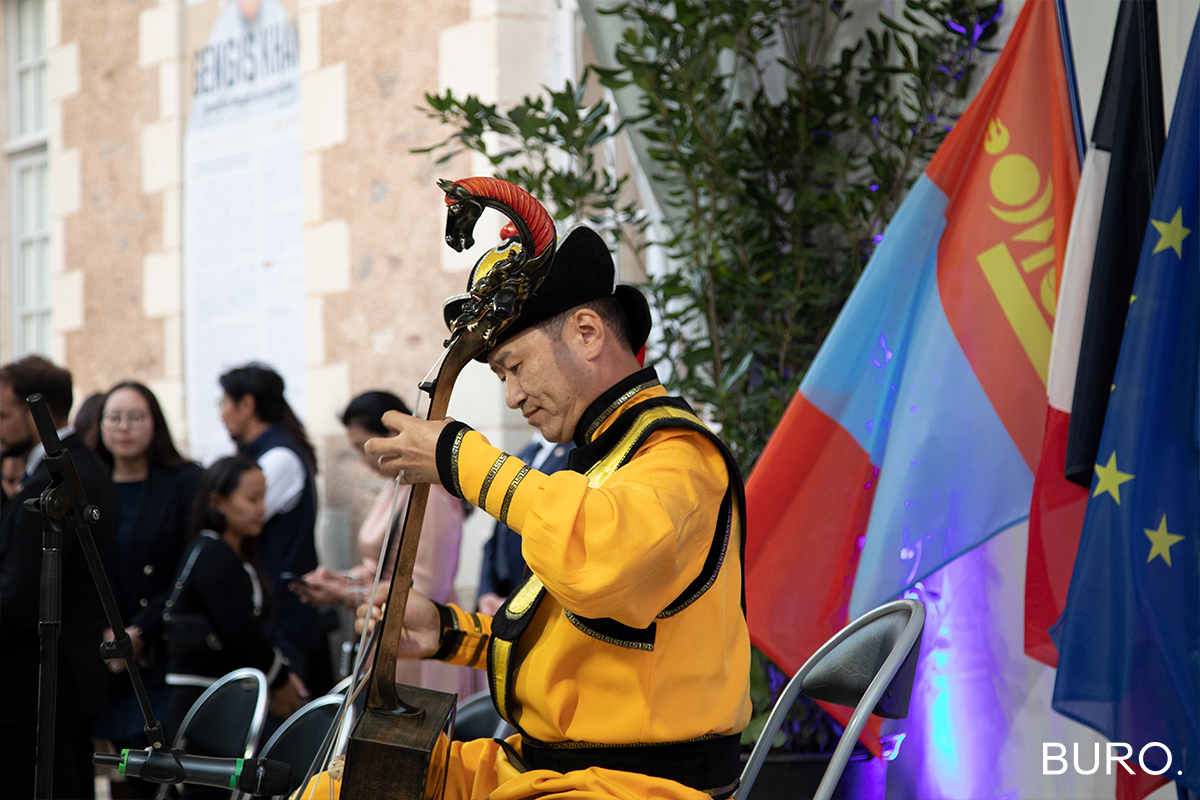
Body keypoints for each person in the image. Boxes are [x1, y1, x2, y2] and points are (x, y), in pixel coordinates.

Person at [316, 226, 751, 799]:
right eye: (502, 376)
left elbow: (599, 561)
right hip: (549, 769)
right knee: (339, 787)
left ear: (588, 332)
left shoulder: (678, 457)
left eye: (515, 367)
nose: (512, 397)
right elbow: (586, 646)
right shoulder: (604, 463)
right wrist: (450, 632)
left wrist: (460, 459)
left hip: (631, 786)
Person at [291, 391, 482, 697]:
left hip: (422, 641)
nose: (363, 460)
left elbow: (428, 588)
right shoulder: (398, 484)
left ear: (391, 435)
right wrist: (340, 579)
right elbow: (381, 566)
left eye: (363, 447)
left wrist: (348, 593)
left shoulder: (429, 493)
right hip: (392, 635)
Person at [0, 356, 120, 800]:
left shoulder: (53, 483)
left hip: (38, 689)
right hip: (64, 681)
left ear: (41, 412)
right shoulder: (84, 469)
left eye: (3, 415)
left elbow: (18, 600)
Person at [92, 382, 203, 795]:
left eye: (136, 417)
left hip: (160, 651)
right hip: (101, 654)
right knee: (117, 778)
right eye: (114, 417)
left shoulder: (184, 481)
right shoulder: (87, 485)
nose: (124, 427)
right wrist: (105, 632)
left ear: (155, 423)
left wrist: (140, 632)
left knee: (157, 777)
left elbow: (187, 569)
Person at [163, 455, 307, 740]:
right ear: (218, 502)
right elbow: (239, 629)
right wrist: (280, 677)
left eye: (263, 499)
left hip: (227, 697)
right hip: (205, 698)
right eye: (252, 499)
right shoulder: (213, 552)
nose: (261, 509)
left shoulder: (237, 554)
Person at [217, 363, 334, 694]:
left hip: (284, 618)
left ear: (247, 405)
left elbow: (228, 521)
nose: (222, 415)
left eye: (224, 404)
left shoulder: (278, 458)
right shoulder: (264, 454)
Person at [475, 430, 572, 616]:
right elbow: (496, 536)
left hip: (538, 604)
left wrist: (523, 599)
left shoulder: (575, 455)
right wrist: (486, 592)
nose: (515, 400)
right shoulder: (523, 455)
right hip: (503, 597)